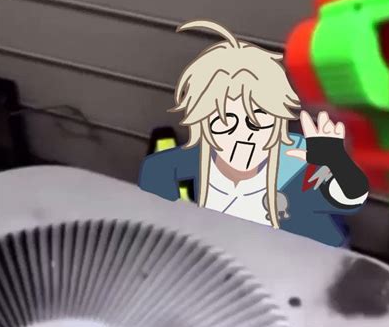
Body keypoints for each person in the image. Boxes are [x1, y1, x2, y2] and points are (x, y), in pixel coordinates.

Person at [139, 20, 369, 246]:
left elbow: (351, 197)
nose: (243, 134)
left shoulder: (298, 163)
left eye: (256, 121)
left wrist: (336, 161)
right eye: (226, 121)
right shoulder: (182, 165)